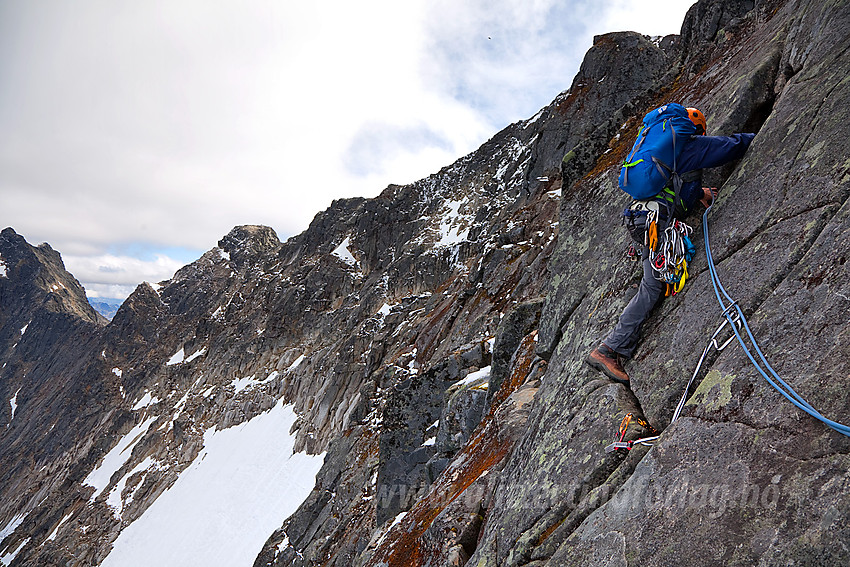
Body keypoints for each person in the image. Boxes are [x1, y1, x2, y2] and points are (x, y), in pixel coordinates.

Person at [586, 107, 755, 386]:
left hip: (641, 220)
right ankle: (609, 349)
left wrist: (698, 192)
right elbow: (728, 147)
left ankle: (615, 347)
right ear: (693, 129)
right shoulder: (685, 147)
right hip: (656, 223)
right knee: (652, 287)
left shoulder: (654, 151)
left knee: (651, 284)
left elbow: (677, 192)